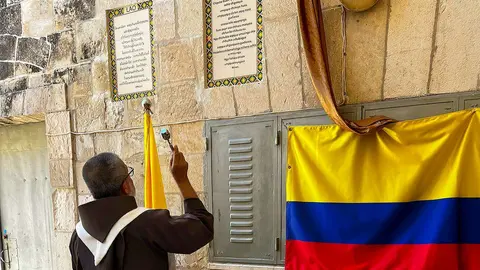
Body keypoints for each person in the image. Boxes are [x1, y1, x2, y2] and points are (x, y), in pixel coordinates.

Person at [69, 146, 213, 270]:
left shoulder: (77, 237)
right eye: (129, 174)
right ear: (126, 186)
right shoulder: (148, 224)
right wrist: (182, 179)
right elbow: (202, 226)